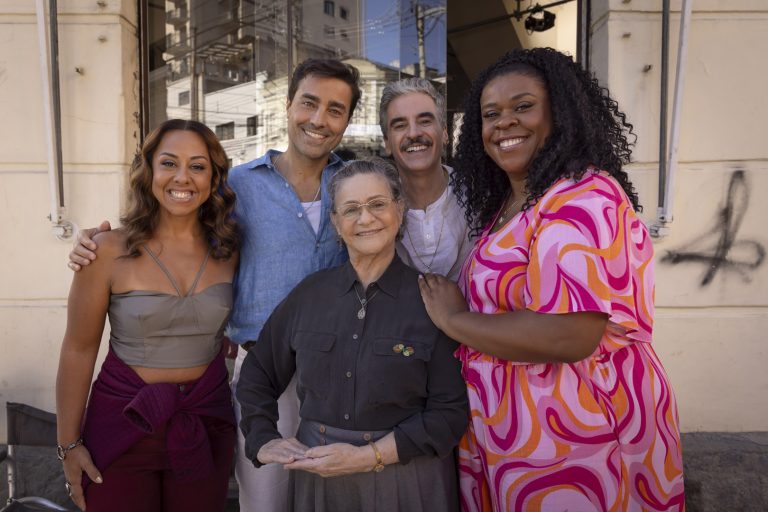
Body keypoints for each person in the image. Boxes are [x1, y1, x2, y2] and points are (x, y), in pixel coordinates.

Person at [67, 58, 360, 512]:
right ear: (288, 106)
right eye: (309, 102)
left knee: (341, 500)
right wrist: (92, 242)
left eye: (335, 109)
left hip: (341, 376)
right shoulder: (240, 187)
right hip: (263, 377)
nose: (319, 119)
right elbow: (168, 216)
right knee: (265, 503)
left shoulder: (356, 185)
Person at [418, 48, 685, 511]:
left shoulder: (580, 197)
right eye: (491, 114)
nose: (504, 123)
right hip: (514, 428)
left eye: (523, 107)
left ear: (559, 113)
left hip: (573, 428)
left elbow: (569, 333)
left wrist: (453, 320)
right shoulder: (508, 206)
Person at [237, 158, 468, 512]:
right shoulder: (309, 295)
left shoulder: (432, 299)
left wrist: (367, 457)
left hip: (406, 480)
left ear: (400, 210)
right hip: (319, 484)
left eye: (377, 204)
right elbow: (257, 373)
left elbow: (449, 413)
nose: (365, 218)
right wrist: (262, 437)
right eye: (351, 209)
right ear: (335, 223)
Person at [56, 119, 239, 512]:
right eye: (169, 163)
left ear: (213, 177)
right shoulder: (105, 249)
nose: (182, 177)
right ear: (150, 171)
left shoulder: (232, 248)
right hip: (123, 422)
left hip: (204, 422)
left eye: (198, 166)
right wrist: (68, 445)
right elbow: (78, 349)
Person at [379, 78, 473, 281]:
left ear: (445, 134)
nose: (413, 133)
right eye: (400, 125)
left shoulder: (480, 196)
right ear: (387, 142)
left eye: (425, 121)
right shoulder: (376, 209)